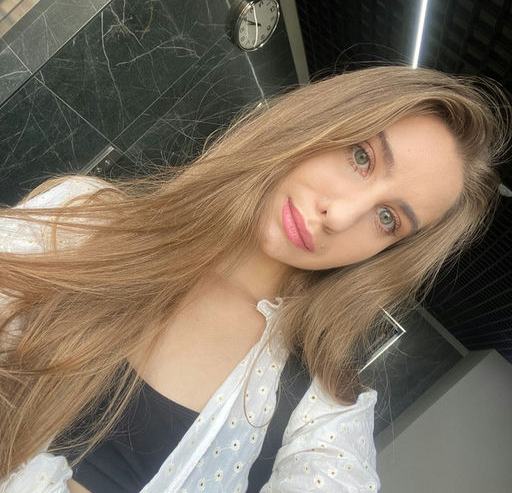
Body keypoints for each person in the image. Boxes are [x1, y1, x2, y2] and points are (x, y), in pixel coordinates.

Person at [0, 66, 509, 493]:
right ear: (319, 121)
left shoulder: (321, 408)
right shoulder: (83, 215)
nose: (339, 215)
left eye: (387, 219)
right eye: (361, 156)